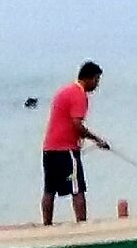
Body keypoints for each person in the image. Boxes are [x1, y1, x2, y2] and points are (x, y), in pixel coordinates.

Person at [41, 61, 106, 225]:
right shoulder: (79, 94)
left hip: (49, 148)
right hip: (66, 149)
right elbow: (77, 124)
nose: (97, 85)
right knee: (78, 189)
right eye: (96, 80)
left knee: (49, 189)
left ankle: (46, 225)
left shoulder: (63, 91)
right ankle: (82, 225)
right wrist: (98, 140)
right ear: (89, 78)